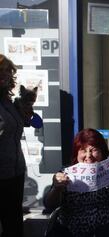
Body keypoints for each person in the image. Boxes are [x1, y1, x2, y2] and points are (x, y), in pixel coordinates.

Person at [44, 128, 109, 237]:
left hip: (107, 226)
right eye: (83, 150)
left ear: (102, 151)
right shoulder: (66, 172)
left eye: (93, 150)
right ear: (76, 153)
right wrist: (56, 188)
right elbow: (49, 205)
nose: (88, 156)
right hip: (71, 228)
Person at [0, 54, 31, 237]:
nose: (4, 75)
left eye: (7, 71)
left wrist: (26, 115)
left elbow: (19, 125)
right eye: (0, 71)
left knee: (13, 226)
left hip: (15, 172)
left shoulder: (7, 102)